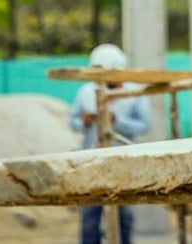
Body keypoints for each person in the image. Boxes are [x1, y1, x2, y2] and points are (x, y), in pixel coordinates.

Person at [68, 43, 152, 244]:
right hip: (90, 160)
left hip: (123, 161)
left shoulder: (133, 93)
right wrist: (84, 121)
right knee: (90, 214)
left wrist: (117, 121)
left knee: (124, 213)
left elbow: (145, 125)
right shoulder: (86, 92)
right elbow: (72, 122)